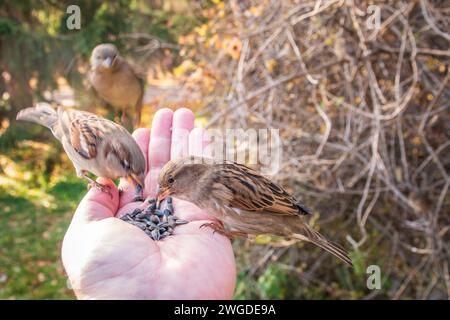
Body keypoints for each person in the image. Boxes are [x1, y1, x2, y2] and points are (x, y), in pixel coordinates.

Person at [61, 108, 236, 299]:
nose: (133, 179)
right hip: (67, 126)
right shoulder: (93, 149)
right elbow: (72, 128)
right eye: (130, 170)